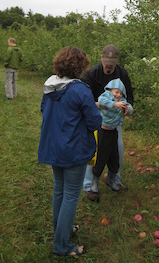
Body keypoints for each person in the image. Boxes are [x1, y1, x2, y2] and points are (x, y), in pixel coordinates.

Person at [38, 46, 102, 257]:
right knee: (71, 194)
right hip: (73, 148)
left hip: (54, 146)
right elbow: (94, 121)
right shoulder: (80, 89)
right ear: (80, 66)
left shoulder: (50, 86)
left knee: (60, 190)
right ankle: (62, 245)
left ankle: (62, 230)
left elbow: (43, 110)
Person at [81, 44, 134, 200]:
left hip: (113, 121)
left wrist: (127, 108)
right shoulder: (91, 74)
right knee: (94, 153)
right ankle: (90, 185)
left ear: (116, 61)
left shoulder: (122, 74)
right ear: (102, 58)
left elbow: (129, 95)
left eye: (112, 64)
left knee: (117, 151)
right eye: (107, 64)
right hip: (95, 119)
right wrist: (102, 105)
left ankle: (113, 180)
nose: (109, 67)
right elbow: (84, 100)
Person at [89, 78, 133, 201]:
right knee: (100, 158)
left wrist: (128, 109)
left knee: (115, 157)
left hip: (113, 132)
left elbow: (129, 107)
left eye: (120, 93)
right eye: (116, 92)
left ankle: (111, 180)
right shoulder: (106, 96)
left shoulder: (122, 101)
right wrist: (115, 104)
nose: (118, 95)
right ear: (110, 89)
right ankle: (93, 184)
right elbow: (102, 101)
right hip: (103, 132)